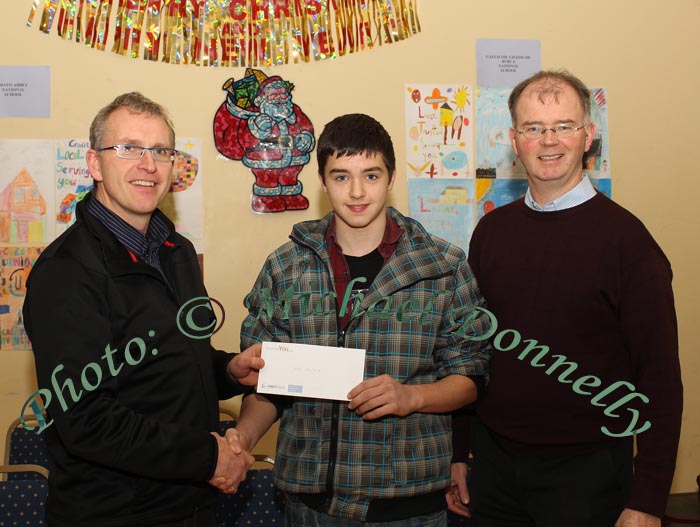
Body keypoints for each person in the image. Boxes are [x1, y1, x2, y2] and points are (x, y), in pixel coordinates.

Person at [447, 70, 683, 527]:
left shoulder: (628, 243)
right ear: (515, 141)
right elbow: (471, 352)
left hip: (589, 476)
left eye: (563, 126)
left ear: (588, 136)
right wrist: (460, 452)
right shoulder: (491, 232)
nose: (548, 141)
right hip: (494, 470)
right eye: (534, 128)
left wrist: (649, 499)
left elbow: (660, 378)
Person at [231, 113, 492, 525]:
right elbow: (269, 385)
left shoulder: (442, 265)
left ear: (391, 179)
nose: (356, 192)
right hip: (309, 503)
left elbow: (471, 377)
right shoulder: (286, 266)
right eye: (341, 177)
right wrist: (243, 437)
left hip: (409, 503)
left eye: (370, 176)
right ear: (322, 180)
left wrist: (412, 397)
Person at [22, 92, 264, 527]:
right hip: (113, 513)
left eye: (161, 151)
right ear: (95, 164)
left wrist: (228, 371)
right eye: (129, 148)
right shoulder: (66, 273)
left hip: (192, 505)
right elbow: (86, 418)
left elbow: (169, 365)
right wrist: (208, 456)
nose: (148, 165)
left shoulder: (178, 252)